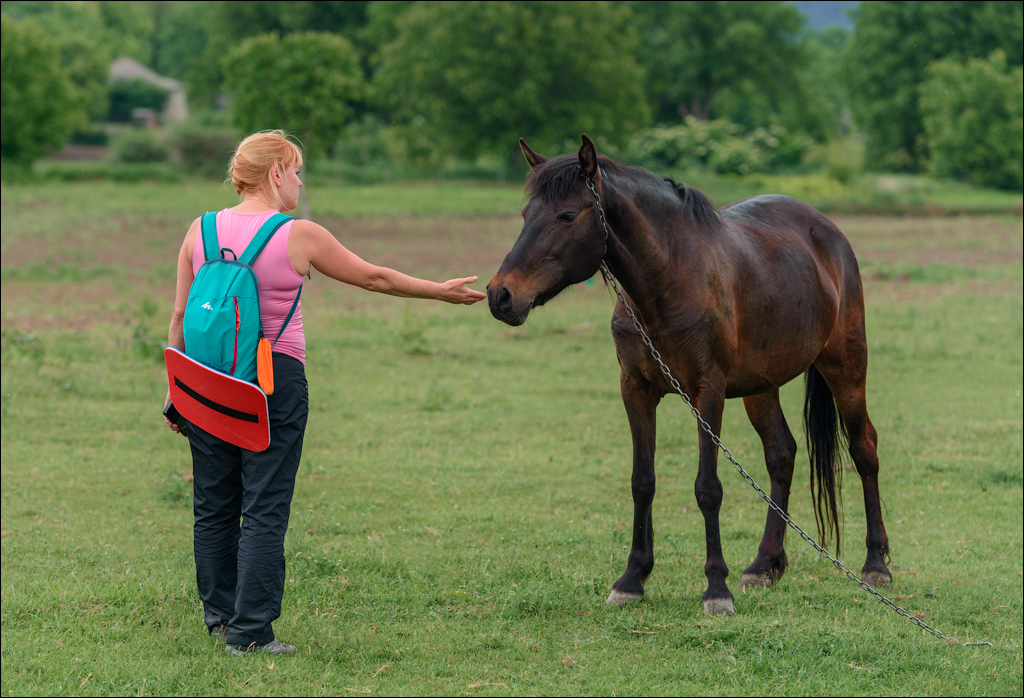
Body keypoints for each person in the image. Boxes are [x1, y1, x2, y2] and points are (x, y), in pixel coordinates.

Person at [163, 130, 485, 655]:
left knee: (213, 504)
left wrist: (178, 392)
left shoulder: (199, 231)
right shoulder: (298, 234)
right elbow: (375, 278)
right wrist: (438, 291)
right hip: (272, 382)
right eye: (295, 171)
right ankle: (250, 635)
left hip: (204, 381)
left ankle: (221, 619)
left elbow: (179, 316)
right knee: (265, 506)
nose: (299, 180)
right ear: (274, 174)